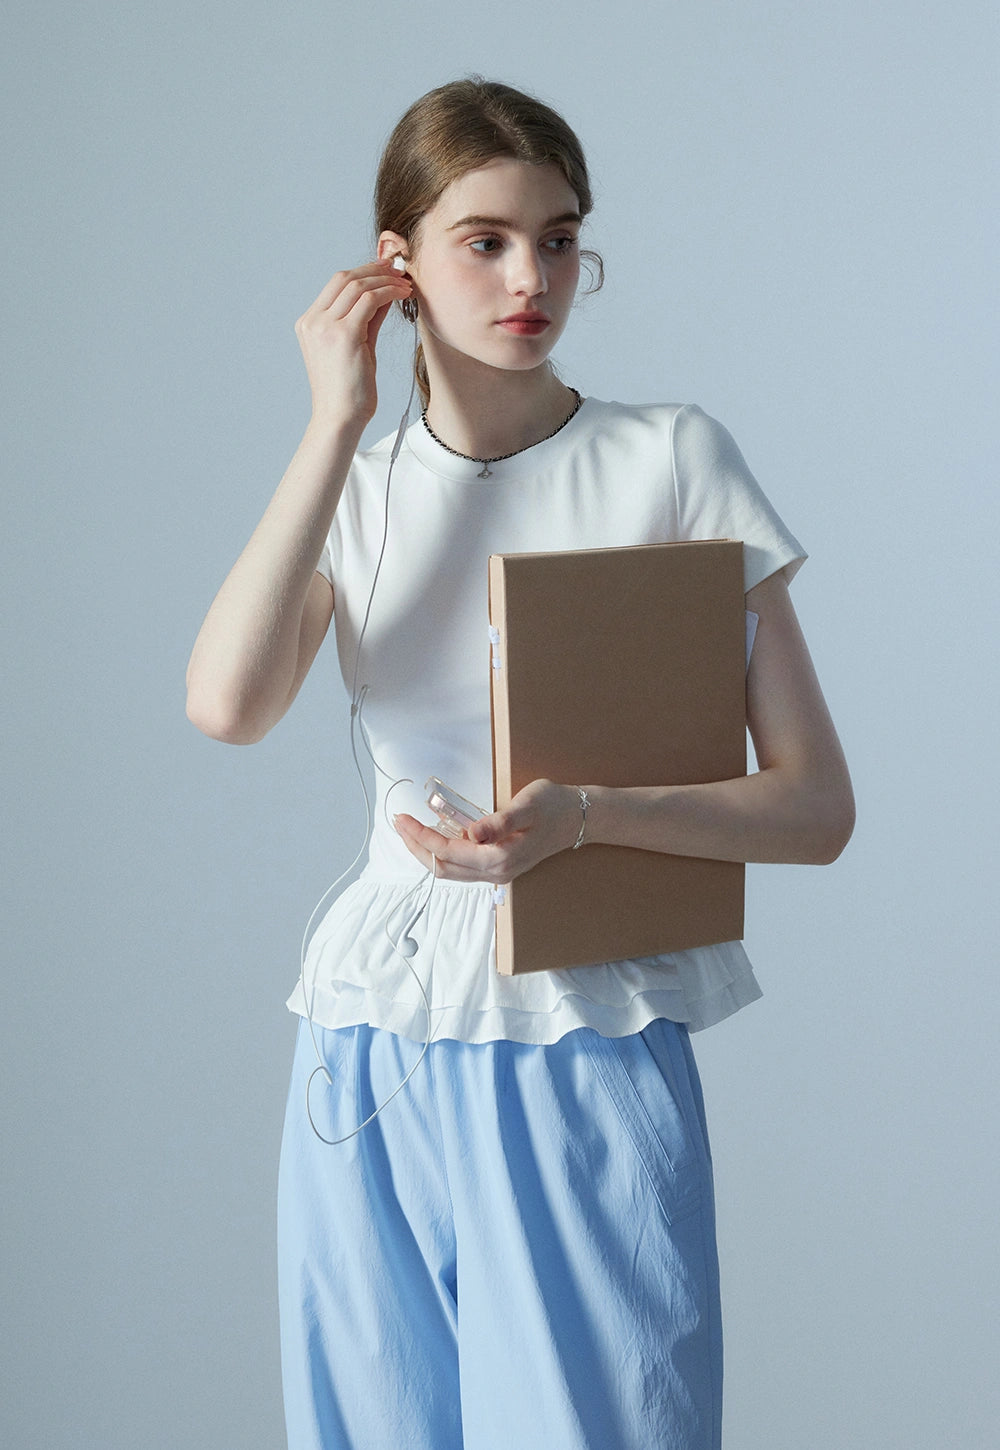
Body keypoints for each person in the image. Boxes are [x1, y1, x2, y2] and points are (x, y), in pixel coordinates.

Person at [186, 77, 854, 1450]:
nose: (531, 275)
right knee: (369, 1423)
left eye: (560, 237)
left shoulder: (668, 457)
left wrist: (589, 816)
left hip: (577, 1018)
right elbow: (228, 703)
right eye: (484, 239)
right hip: (368, 1029)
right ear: (398, 266)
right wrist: (331, 423)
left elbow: (815, 805)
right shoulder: (358, 490)